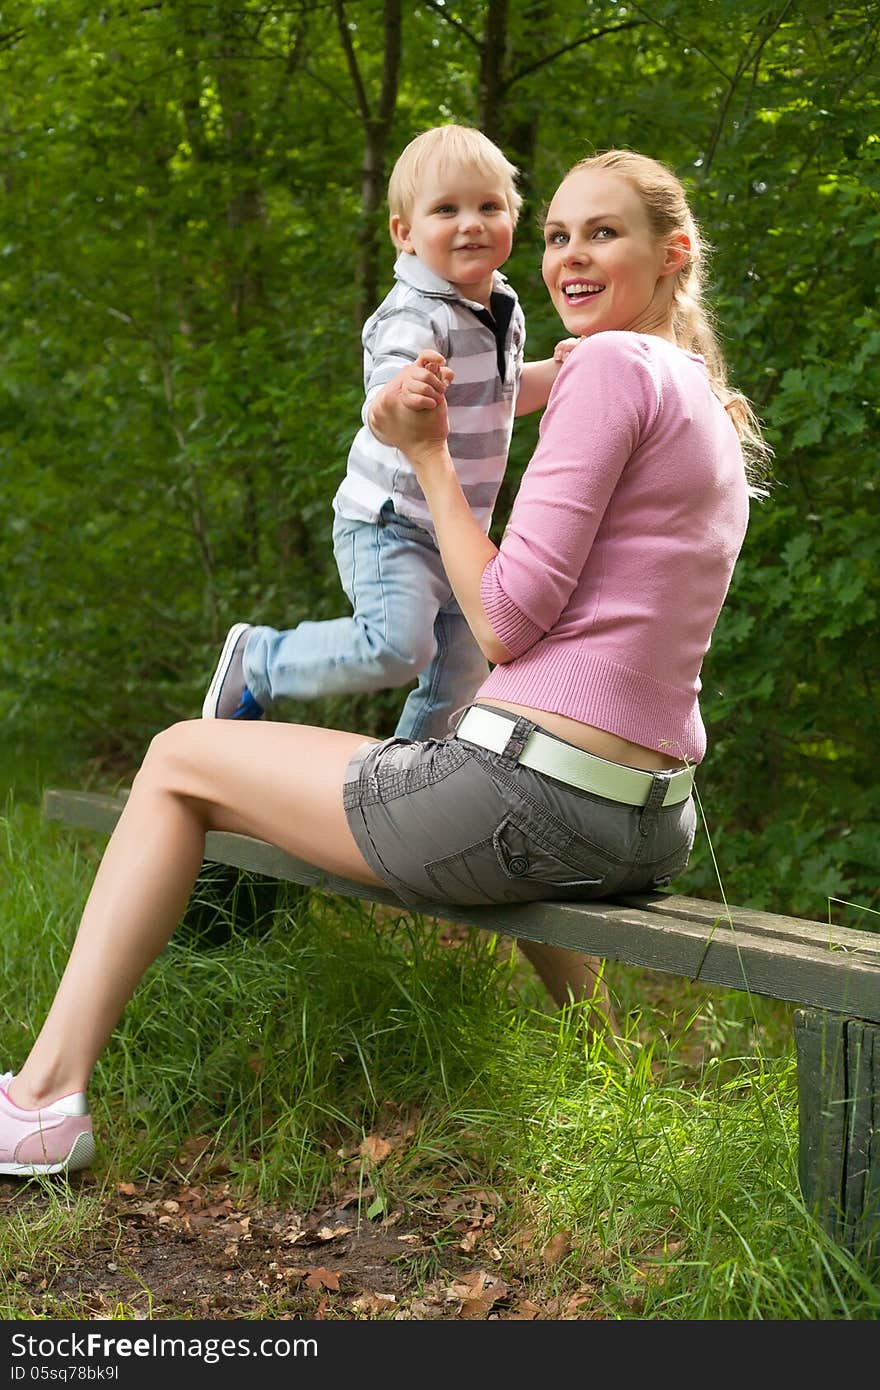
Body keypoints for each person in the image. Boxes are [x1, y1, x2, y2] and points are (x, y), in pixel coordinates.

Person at [0, 149, 769, 1177]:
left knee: (183, 756)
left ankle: (44, 1097)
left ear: (672, 252)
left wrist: (430, 459)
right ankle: (611, 1074)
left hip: (529, 802)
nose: (568, 256)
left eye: (602, 233)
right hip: (649, 822)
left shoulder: (605, 371)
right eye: (556, 235)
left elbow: (500, 621)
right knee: (431, 753)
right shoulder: (697, 393)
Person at [202, 124, 575, 740]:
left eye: (489, 207)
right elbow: (384, 405)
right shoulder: (415, 311)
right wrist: (406, 393)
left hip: (458, 531)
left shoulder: (504, 306)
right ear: (405, 233)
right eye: (446, 210)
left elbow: (506, 397)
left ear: (513, 217)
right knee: (397, 648)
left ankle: (407, 786)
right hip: (391, 521)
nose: (471, 223)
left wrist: (564, 373)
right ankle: (259, 661)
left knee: (458, 680)